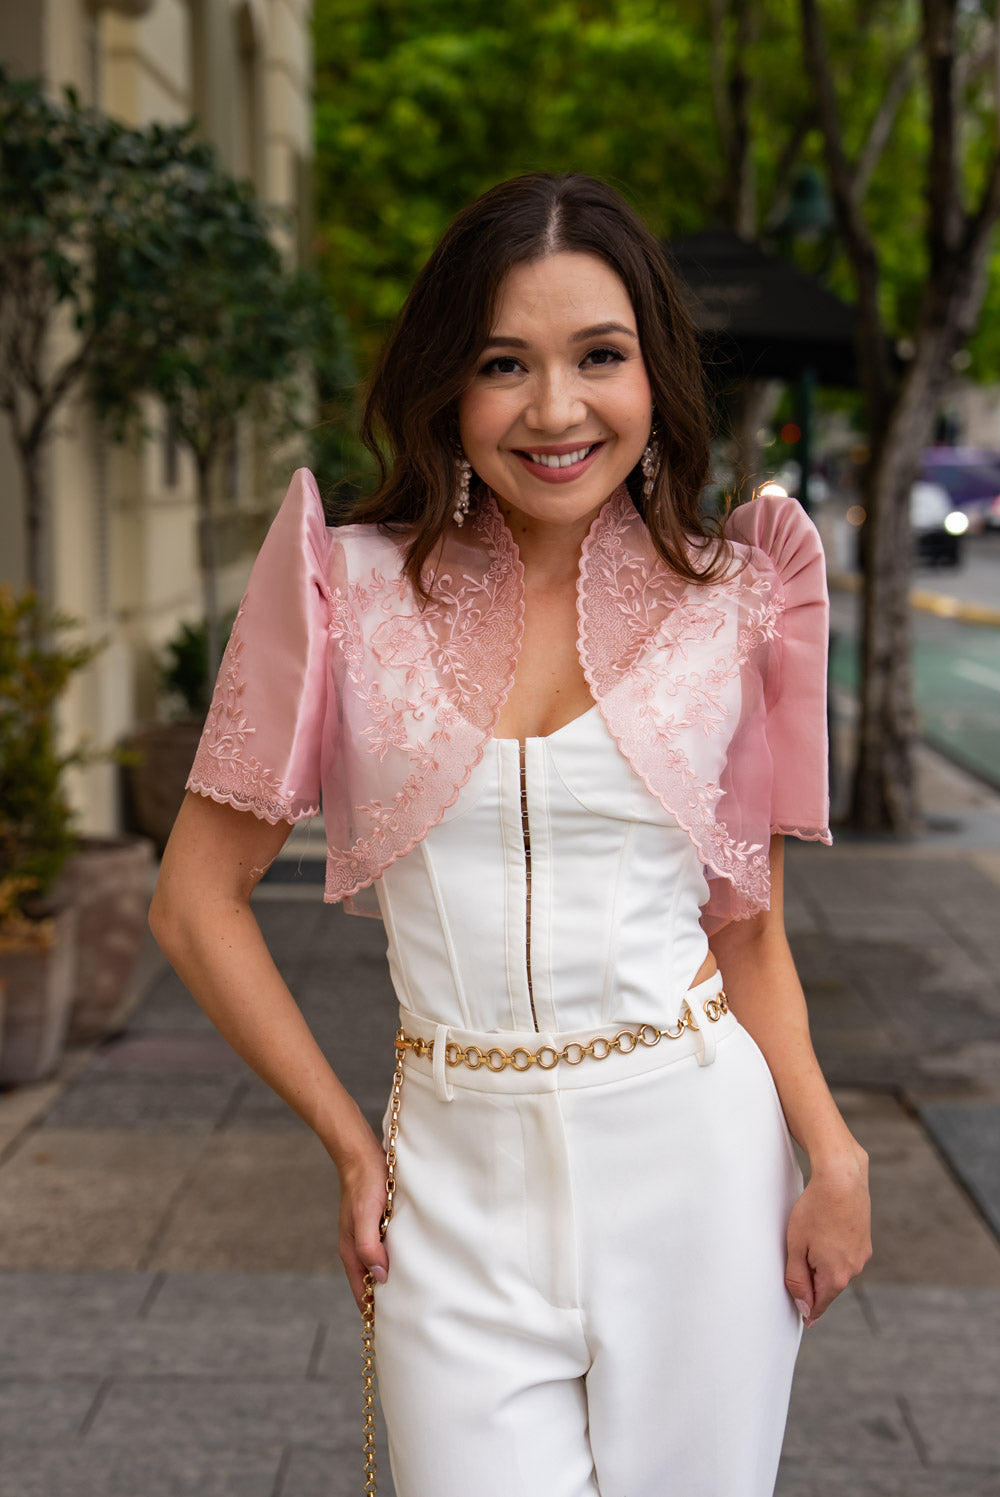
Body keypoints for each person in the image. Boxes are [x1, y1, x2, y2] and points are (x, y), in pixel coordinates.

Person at [149, 172, 871, 1497]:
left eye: (600, 356)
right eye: (503, 363)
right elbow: (195, 900)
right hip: (453, 1191)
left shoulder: (733, 603)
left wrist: (834, 1151)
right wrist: (351, 1141)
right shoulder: (342, 585)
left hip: (702, 1170)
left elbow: (748, 927)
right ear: (447, 386)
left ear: (654, 377)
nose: (555, 408)